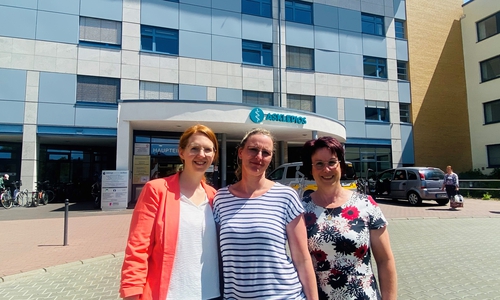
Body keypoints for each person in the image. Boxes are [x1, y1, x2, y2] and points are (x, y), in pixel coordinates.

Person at [213, 128, 318, 300]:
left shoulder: (286, 196)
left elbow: (302, 258)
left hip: (284, 296)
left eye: (266, 153)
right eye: (253, 149)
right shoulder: (221, 198)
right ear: (240, 152)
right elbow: (217, 258)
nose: (259, 157)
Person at [120, 124, 220, 300]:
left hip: (212, 294)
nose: (201, 154)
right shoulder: (157, 190)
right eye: (194, 148)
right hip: (170, 294)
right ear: (181, 152)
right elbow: (137, 247)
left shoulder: (215, 197)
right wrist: (132, 293)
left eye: (207, 149)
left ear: (214, 155)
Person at [301, 136, 397, 300]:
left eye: (332, 162)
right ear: (311, 169)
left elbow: (385, 260)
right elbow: (300, 263)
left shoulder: (366, 205)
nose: (327, 169)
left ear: (341, 166)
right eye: (319, 164)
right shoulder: (301, 210)